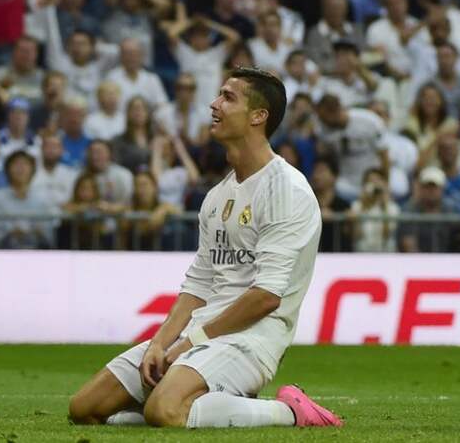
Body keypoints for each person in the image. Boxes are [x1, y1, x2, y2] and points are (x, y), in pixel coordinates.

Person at [69, 68, 342, 430]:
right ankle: (213, 404)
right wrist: (160, 343)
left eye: (228, 97)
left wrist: (189, 343)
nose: (214, 104)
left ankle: (290, 411)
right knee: (85, 408)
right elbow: (198, 284)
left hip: (251, 339)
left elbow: (266, 296)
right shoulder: (217, 196)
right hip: (200, 334)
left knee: (165, 411)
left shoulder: (285, 189)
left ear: (258, 116)